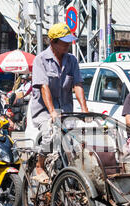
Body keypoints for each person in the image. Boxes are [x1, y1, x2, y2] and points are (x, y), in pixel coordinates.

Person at [31, 23, 89, 183]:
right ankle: (39, 165)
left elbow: (77, 85)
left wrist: (84, 110)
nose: (68, 45)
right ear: (52, 42)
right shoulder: (40, 60)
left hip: (66, 110)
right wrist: (52, 112)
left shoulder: (72, 60)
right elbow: (44, 87)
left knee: (78, 142)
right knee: (50, 135)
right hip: (44, 111)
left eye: (69, 41)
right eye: (64, 42)